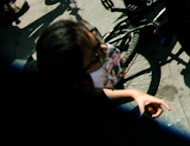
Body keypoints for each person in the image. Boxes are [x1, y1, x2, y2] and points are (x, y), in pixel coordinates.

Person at [35, 18, 170, 117]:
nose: (106, 50)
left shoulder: (68, 80)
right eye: (95, 55)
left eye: (99, 42)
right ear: (79, 80)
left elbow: (97, 95)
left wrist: (135, 94)